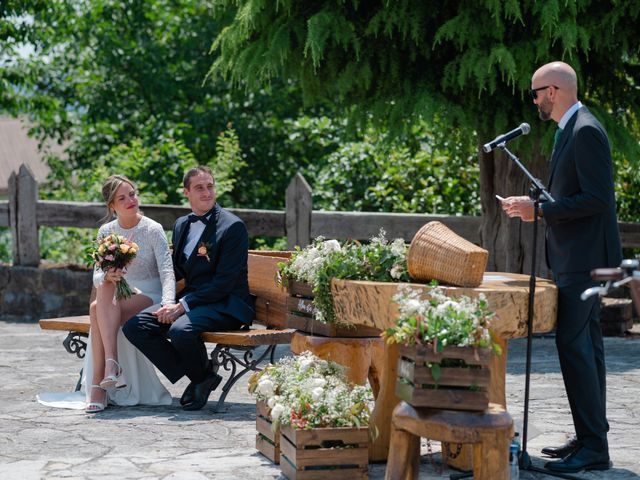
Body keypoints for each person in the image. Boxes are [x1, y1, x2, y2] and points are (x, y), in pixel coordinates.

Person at [502, 61, 621, 473]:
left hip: (586, 261)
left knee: (573, 347)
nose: (533, 100)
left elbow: (598, 199)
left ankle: (594, 446)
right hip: (580, 258)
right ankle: (592, 437)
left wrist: (538, 210)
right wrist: (539, 208)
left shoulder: (585, 130)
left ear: (553, 91)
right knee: (587, 347)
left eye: (535, 92)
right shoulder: (570, 129)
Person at [37, 175, 175, 412]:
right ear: (112, 206)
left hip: (149, 294)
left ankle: (98, 384)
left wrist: (168, 302)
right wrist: (107, 276)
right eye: (122, 198)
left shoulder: (153, 229)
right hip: (119, 296)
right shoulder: (106, 231)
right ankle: (110, 368)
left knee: (96, 309)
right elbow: (96, 276)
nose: (130, 200)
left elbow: (166, 270)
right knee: (104, 288)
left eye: (132, 194)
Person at [123, 166, 254, 411]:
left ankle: (199, 378)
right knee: (136, 326)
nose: (207, 193)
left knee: (181, 329)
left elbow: (223, 283)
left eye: (210, 186)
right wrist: (134, 272)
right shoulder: (182, 224)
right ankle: (202, 375)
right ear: (187, 193)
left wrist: (181, 306)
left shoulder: (232, 227)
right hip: (195, 301)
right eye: (199, 188)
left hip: (226, 303)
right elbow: (176, 269)